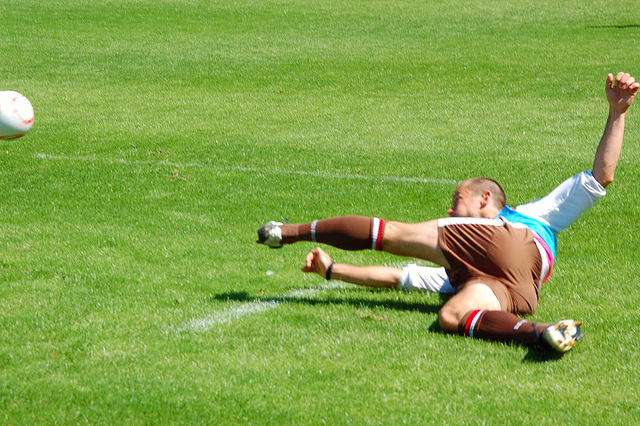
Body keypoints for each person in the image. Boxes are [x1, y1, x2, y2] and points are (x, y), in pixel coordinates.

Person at [256, 72, 638, 353]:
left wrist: (616, 112)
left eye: (457, 200)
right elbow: (397, 280)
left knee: (393, 235)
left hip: (512, 246)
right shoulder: (458, 268)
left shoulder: (530, 215)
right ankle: (541, 332)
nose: (450, 210)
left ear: (486, 199)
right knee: (451, 316)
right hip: (518, 292)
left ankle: (287, 232)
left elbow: (599, 177)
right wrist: (332, 271)